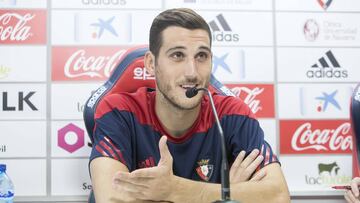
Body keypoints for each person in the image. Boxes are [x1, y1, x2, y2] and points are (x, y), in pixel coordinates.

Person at [89, 8, 290, 203]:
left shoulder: (232, 115)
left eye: (201, 56)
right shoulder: (119, 111)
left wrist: (174, 190)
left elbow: (278, 197)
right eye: (177, 55)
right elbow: (112, 199)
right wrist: (228, 193)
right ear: (151, 63)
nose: (192, 72)